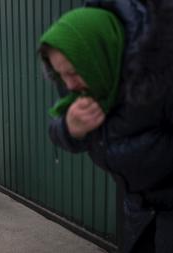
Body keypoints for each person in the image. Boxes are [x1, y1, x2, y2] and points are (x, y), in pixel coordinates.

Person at [39, 2, 173, 252]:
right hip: (138, 209)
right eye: (61, 74)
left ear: (97, 55)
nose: (69, 85)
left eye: (73, 72)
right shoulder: (90, 84)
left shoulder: (160, 77)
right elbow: (57, 128)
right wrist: (70, 128)